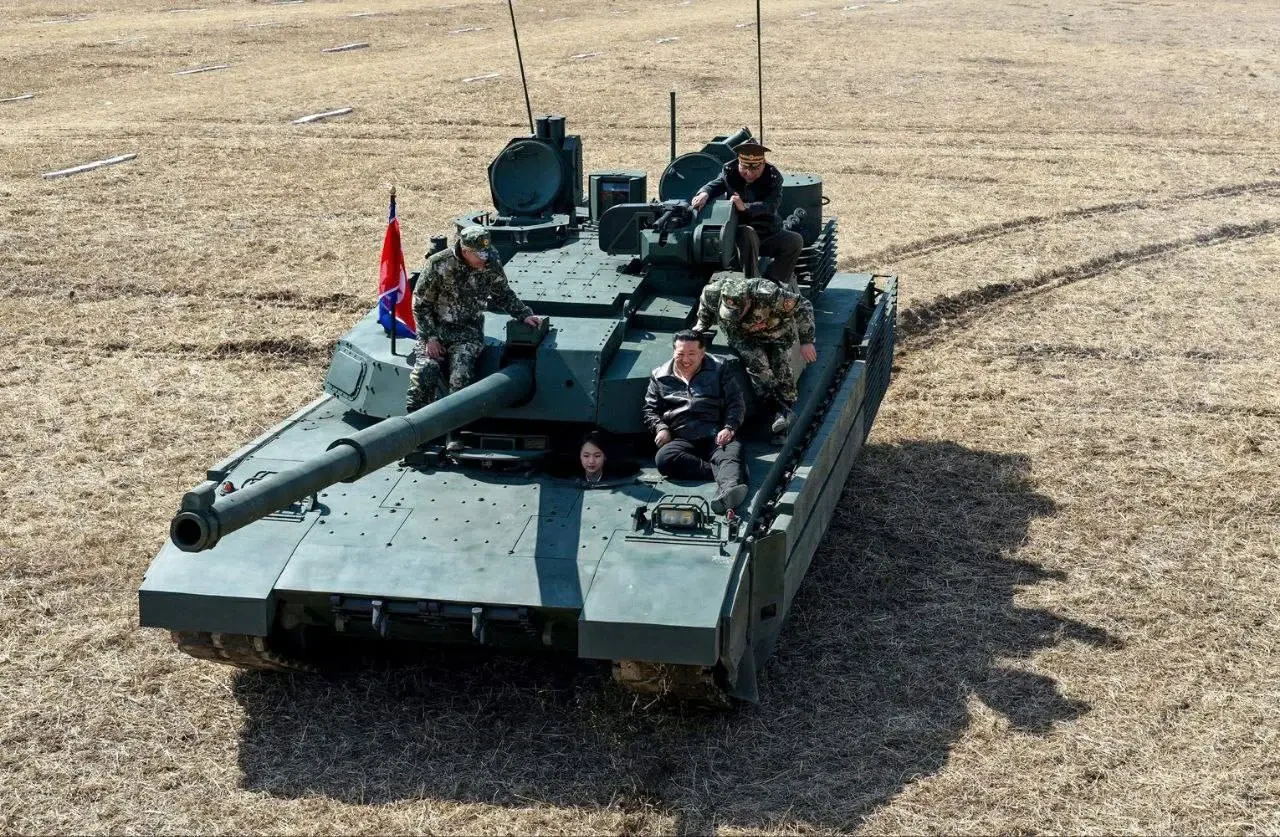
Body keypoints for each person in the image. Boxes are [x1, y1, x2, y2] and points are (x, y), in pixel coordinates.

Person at [406, 225, 542, 415]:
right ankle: (416, 421)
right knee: (425, 370)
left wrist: (524, 314)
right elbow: (421, 304)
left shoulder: (491, 260)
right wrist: (430, 338)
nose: (484, 258)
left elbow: (502, 293)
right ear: (465, 251)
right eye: (480, 254)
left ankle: (454, 426)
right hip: (436, 330)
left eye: (486, 252)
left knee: (461, 376)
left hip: (467, 332)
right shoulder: (438, 264)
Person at [694, 276, 817, 435]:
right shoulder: (713, 292)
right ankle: (776, 410)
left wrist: (807, 341)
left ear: (749, 301)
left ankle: (787, 405)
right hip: (741, 336)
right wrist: (702, 323)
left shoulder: (768, 294)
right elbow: (705, 303)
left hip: (776, 333)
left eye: (738, 311)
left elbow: (803, 306)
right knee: (758, 367)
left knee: (782, 369)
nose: (735, 315)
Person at [643, 330, 748, 514]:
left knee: (732, 450)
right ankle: (729, 471)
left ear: (702, 353)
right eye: (680, 354)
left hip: (715, 433)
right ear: (673, 352)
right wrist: (661, 428)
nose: (686, 360)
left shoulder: (719, 368)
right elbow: (650, 409)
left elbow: (736, 402)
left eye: (692, 354)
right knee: (664, 458)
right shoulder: (659, 376)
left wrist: (729, 428)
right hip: (682, 436)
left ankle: (728, 492)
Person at [689, 140, 804, 290]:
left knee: (794, 241)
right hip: (740, 235)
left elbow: (770, 206)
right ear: (738, 163)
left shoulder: (773, 177)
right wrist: (704, 193)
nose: (749, 174)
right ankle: (752, 284)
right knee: (747, 233)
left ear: (763, 164)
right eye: (744, 168)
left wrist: (745, 207)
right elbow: (716, 184)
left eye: (755, 169)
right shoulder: (730, 171)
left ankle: (774, 283)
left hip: (767, 231)